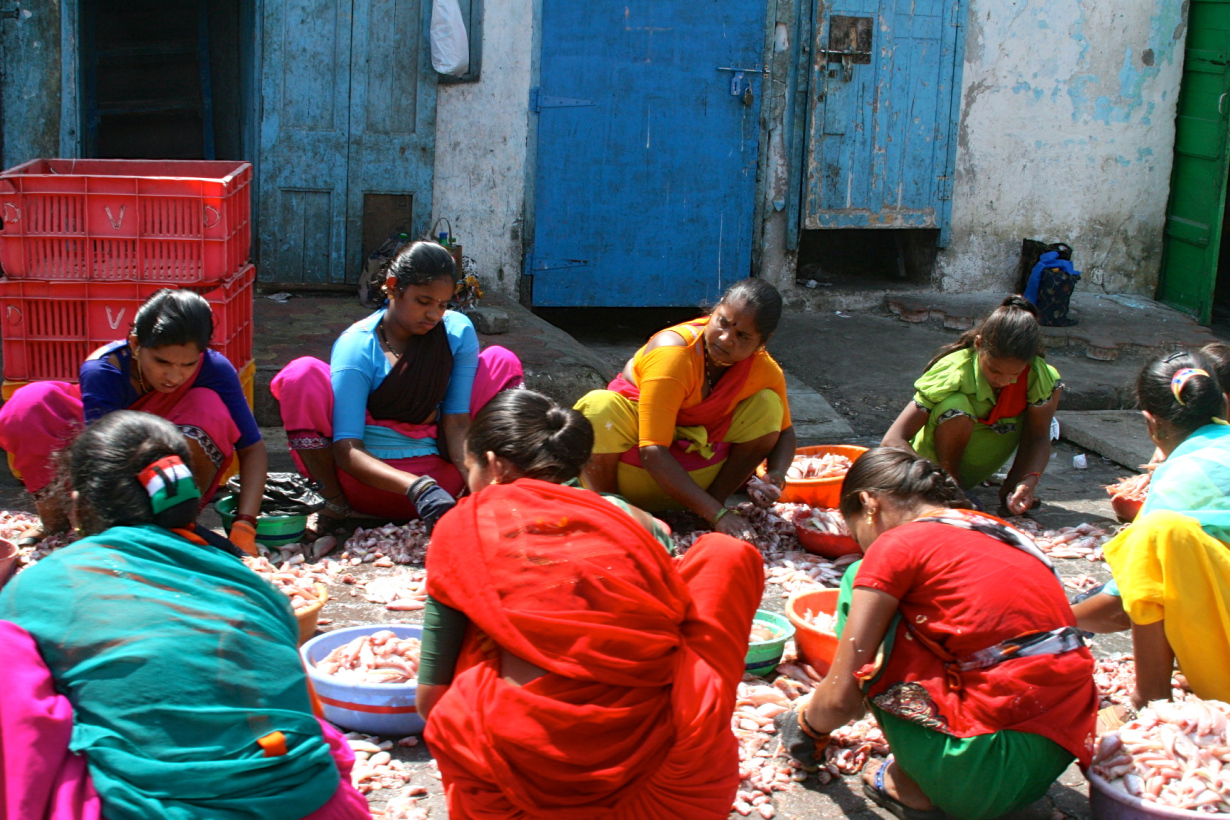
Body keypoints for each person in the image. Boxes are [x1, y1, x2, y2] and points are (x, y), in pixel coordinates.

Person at [0, 411, 370, 820]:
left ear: (78, 504)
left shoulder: (37, 589)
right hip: (317, 805)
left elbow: (25, 727)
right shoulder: (254, 587)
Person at [417, 389, 764, 819]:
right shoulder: (633, 520)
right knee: (723, 557)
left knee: (478, 624)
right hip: (660, 775)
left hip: (513, 773)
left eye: (468, 468)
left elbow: (431, 697)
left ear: (492, 466)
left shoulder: (465, 525)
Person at [778, 448, 1096, 820]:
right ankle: (941, 772)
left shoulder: (896, 545)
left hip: (979, 772)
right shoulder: (1002, 530)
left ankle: (924, 785)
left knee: (858, 580)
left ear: (868, 505)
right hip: (1055, 749)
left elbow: (841, 700)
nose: (861, 545)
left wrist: (807, 725)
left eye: (856, 532)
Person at [271, 240, 523, 534]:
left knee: (500, 362)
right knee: (302, 374)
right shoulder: (358, 346)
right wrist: (419, 489)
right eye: (424, 301)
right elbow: (348, 449)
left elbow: (456, 421)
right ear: (393, 287)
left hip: (444, 480)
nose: (434, 315)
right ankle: (333, 504)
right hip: (369, 483)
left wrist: (478, 492)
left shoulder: (456, 332)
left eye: (443, 305)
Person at [0, 289, 267, 554]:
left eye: (187, 365)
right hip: (112, 460)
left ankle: (176, 523)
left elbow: (252, 449)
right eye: (162, 362)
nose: (173, 376)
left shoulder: (215, 368)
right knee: (30, 405)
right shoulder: (103, 370)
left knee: (208, 406)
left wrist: (244, 527)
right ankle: (58, 525)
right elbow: (103, 461)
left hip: (165, 466)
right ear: (136, 345)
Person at [574, 278, 796, 541]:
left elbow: (785, 432)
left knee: (768, 406)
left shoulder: (762, 367)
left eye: (743, 336)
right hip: (637, 470)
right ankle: (612, 511)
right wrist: (719, 515)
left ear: (763, 341)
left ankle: (704, 508)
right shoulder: (674, 354)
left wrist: (776, 477)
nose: (725, 339)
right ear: (712, 311)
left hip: (699, 477)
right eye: (722, 322)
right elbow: (653, 450)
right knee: (600, 407)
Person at [1076, 352, 1230, 707]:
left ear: (1151, 422)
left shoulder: (1179, 477)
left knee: (1156, 536)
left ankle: (1149, 697)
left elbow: (1121, 608)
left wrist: (1048, 621)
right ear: (1221, 403)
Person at [882, 295, 1062, 516]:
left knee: (1045, 400)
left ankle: (1008, 491)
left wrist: (1027, 482)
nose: (1004, 381)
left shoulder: (1038, 375)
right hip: (933, 472)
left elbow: (1039, 437)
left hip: (977, 469)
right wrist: (935, 481)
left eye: (1014, 374)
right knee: (954, 406)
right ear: (978, 345)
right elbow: (892, 439)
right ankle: (952, 490)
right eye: (994, 370)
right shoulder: (954, 371)